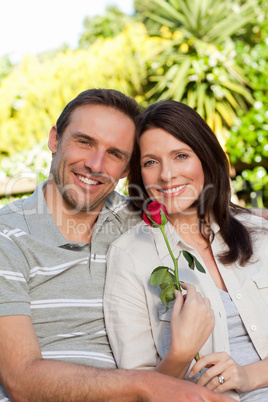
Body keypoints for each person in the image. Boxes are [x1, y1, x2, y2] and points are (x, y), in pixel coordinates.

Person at [0, 89, 230, 402]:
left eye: (114, 154)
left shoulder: (144, 221)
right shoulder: (7, 235)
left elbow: (218, 218)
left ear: (125, 169)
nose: (95, 164)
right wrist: (147, 384)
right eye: (85, 142)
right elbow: (20, 379)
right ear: (55, 139)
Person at [104, 100, 268, 401]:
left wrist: (248, 376)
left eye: (181, 155)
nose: (167, 175)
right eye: (151, 162)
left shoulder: (259, 233)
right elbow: (136, 389)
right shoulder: (129, 257)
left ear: (205, 158)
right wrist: (180, 353)